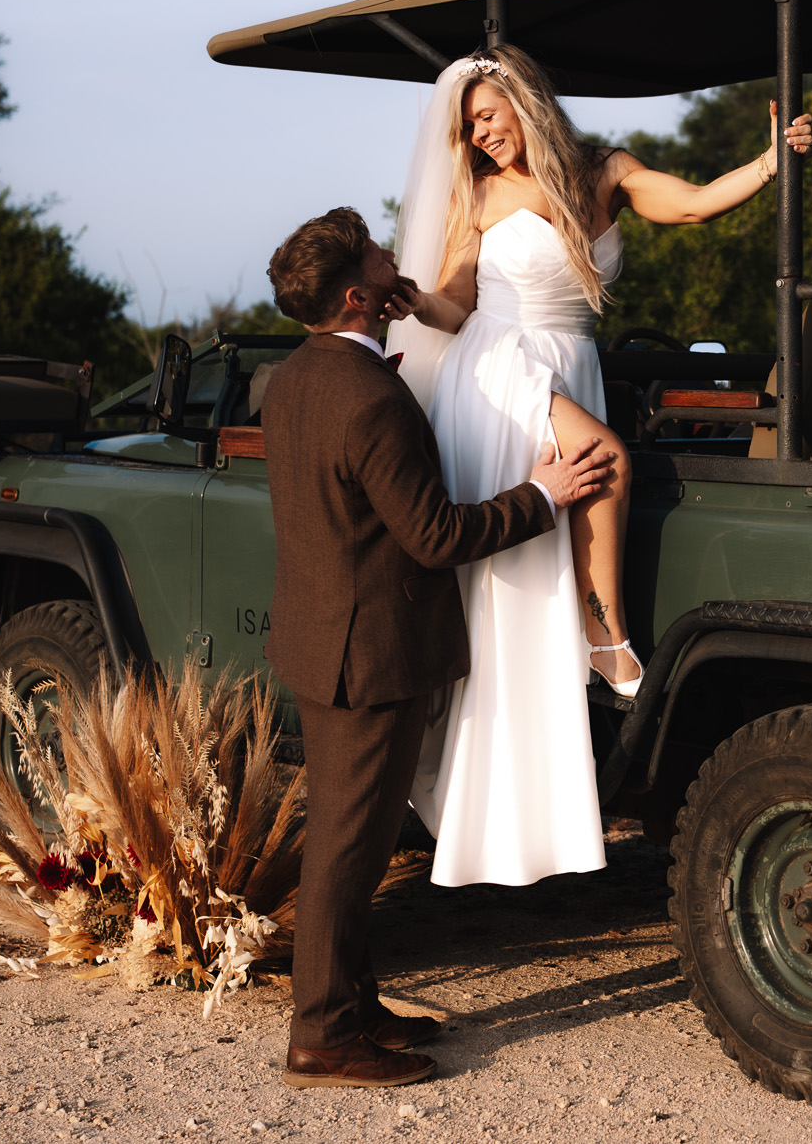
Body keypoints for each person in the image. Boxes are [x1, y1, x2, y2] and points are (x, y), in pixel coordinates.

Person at [384, 46, 812, 888]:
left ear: (522, 99)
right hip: (499, 370)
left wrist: (768, 162)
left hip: (569, 363)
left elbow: (688, 206)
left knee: (536, 559)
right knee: (602, 458)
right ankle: (607, 639)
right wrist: (413, 300)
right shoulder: (477, 193)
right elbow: (456, 302)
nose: (479, 135)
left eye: (488, 116)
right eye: (469, 126)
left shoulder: (602, 171)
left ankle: (529, 795)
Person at [261, 207, 614, 1089]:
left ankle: (353, 1002)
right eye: (382, 257)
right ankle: (320, 1036)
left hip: (323, 637)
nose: (396, 260)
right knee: (348, 845)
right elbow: (434, 536)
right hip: (370, 651)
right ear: (358, 294)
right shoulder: (370, 394)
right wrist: (543, 491)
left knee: (354, 837)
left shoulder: (296, 378)